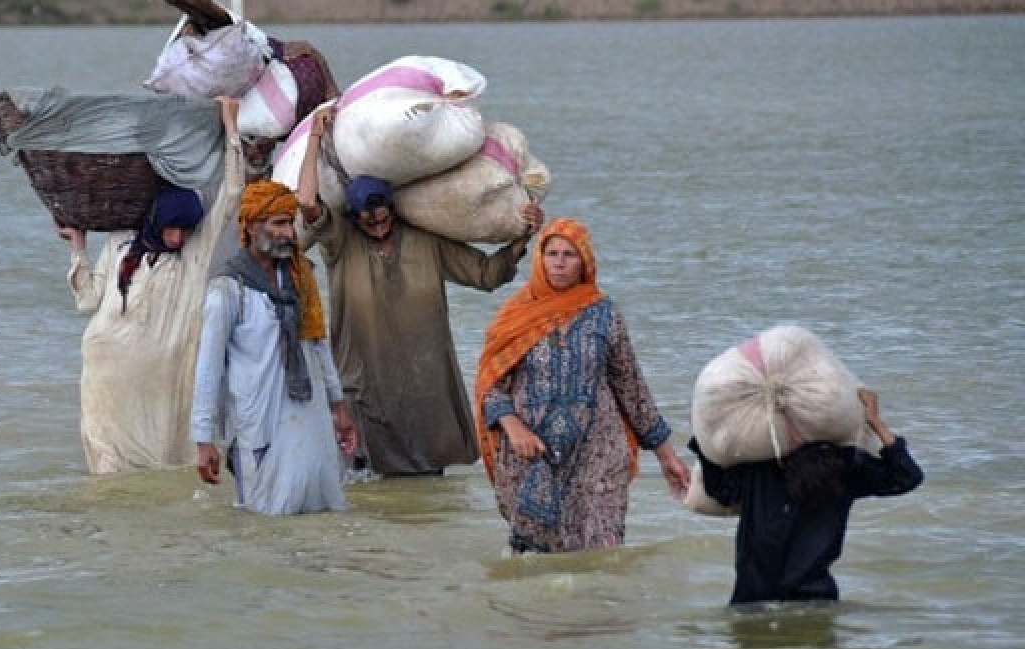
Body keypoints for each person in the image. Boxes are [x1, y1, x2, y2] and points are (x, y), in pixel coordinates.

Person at [295, 108, 542, 477]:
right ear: (354, 218)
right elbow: (306, 202)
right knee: (363, 477)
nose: (377, 225)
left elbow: (487, 274)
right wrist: (315, 136)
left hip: (422, 382)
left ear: (393, 210)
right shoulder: (340, 244)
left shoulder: (426, 240)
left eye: (383, 216)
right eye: (368, 220)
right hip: (363, 381)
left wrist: (523, 235)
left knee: (426, 477)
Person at [474, 218, 690, 553]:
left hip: (598, 452)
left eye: (569, 255)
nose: (559, 262)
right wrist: (513, 426)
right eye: (552, 253)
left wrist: (667, 456)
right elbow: (491, 385)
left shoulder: (605, 315)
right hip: (532, 455)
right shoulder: (515, 316)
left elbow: (631, 388)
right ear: (540, 259)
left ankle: (605, 605)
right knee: (536, 565)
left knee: (603, 553)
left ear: (585, 262)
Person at [57, 96, 244, 474]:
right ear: (157, 220)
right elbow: (89, 300)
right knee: (107, 462)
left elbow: (232, 194)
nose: (178, 237)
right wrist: (78, 247)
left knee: (165, 458)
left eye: (186, 229)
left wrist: (231, 129)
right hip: (107, 373)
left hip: (164, 377)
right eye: (174, 227)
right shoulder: (121, 244)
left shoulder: (194, 254)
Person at [190, 179, 358, 515]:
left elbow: (318, 344)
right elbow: (208, 367)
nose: (288, 233)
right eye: (278, 224)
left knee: (314, 510)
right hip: (257, 424)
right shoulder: (227, 290)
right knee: (261, 518)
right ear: (251, 227)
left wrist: (338, 407)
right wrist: (203, 440)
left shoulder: (300, 278)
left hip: (307, 416)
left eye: (290, 223)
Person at [688, 388, 924, 606]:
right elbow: (906, 476)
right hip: (815, 602)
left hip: (753, 601)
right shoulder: (845, 467)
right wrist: (876, 423)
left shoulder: (759, 467)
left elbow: (721, 491)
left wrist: (707, 435)